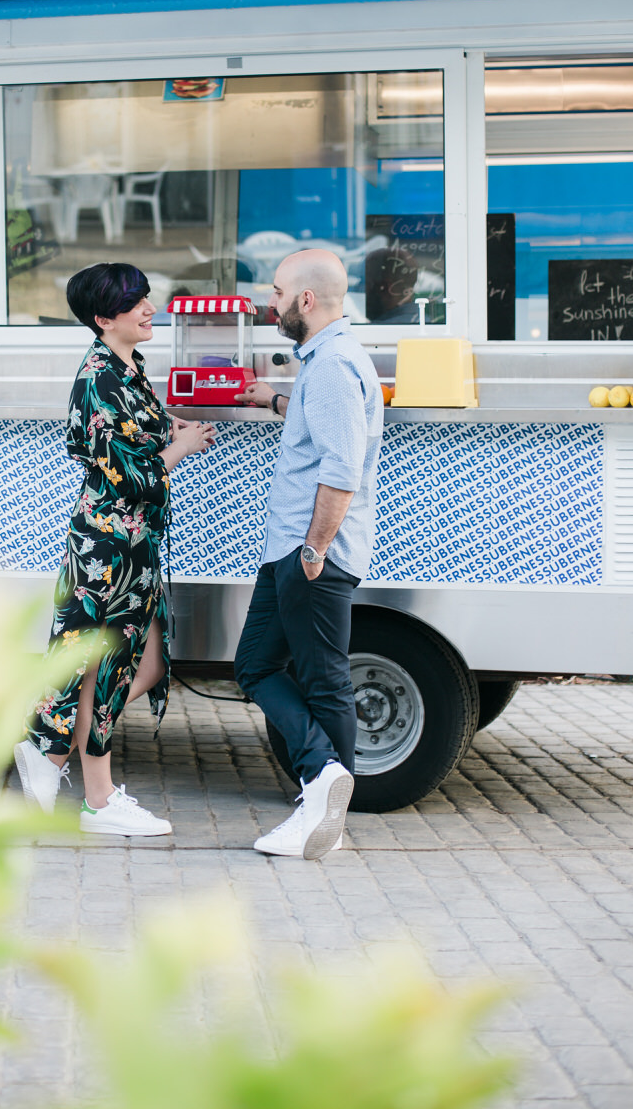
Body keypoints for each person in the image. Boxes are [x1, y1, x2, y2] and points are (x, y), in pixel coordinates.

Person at [14, 262, 215, 836]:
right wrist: (185, 447)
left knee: (142, 663)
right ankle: (95, 796)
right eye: (136, 303)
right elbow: (128, 476)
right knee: (108, 665)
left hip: (130, 544)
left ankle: (49, 752)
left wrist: (171, 427)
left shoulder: (128, 368)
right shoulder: (100, 378)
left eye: (148, 297)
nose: (150, 308)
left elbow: (136, 432)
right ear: (105, 319)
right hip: (110, 547)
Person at [234, 248, 383, 859]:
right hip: (292, 549)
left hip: (310, 552)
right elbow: (320, 431)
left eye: (275, 293)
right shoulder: (323, 362)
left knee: (323, 682)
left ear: (305, 299)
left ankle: (325, 800)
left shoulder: (332, 366)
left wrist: (314, 550)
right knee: (254, 665)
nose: (267, 303)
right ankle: (324, 782)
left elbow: (342, 468)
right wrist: (273, 400)